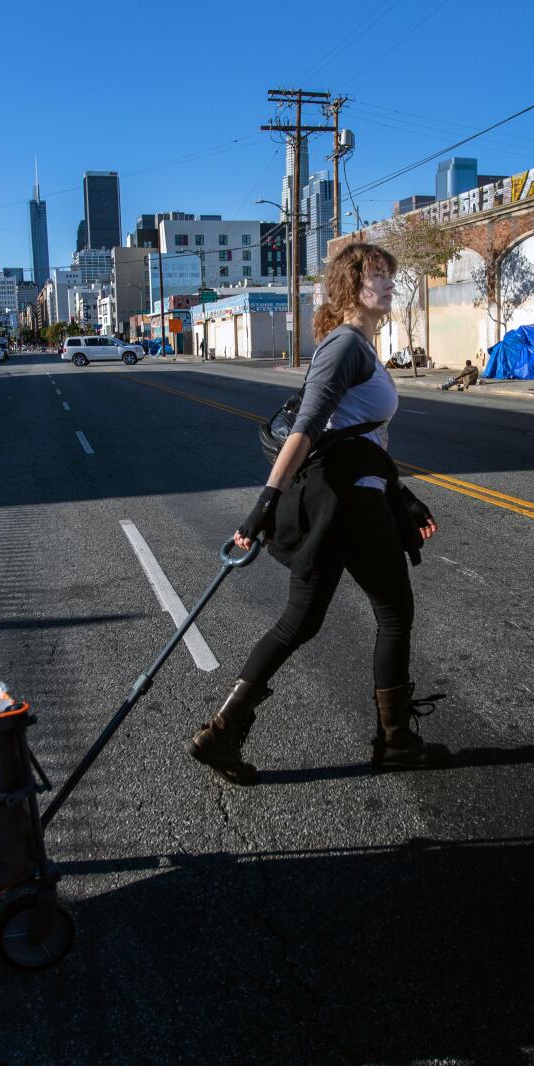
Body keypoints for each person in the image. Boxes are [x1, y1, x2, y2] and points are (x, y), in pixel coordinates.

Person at [190, 241, 446, 785]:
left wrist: (400, 497)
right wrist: (263, 504)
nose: (388, 284)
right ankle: (396, 740)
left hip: (347, 497)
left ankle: (222, 732)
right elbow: (307, 428)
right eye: (377, 276)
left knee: (300, 622)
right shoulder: (347, 346)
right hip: (347, 502)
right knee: (394, 612)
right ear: (351, 286)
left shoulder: (360, 347)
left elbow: (359, 437)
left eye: (388, 276)